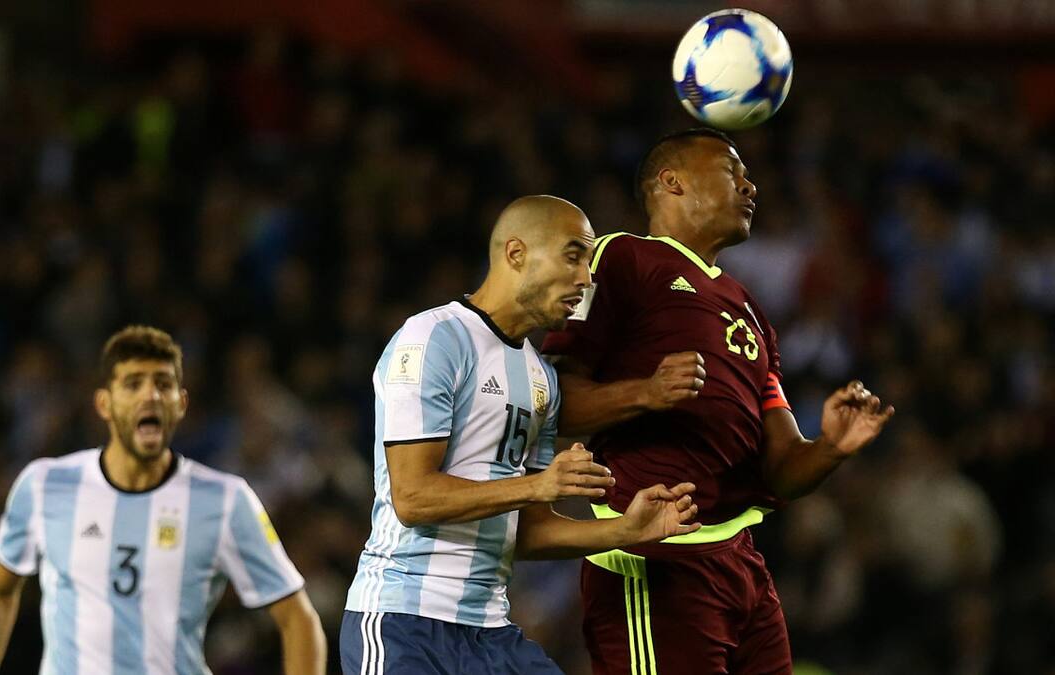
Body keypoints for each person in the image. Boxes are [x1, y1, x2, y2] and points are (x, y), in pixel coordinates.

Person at [542, 129, 895, 675]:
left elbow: (781, 472)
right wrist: (646, 392)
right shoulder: (620, 257)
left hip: (740, 562)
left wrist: (830, 448)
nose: (751, 185)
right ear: (672, 181)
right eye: (734, 171)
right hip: (654, 556)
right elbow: (554, 407)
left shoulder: (750, 308)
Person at [340, 195, 701, 674]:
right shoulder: (434, 339)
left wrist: (626, 530)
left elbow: (528, 530)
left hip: (490, 631)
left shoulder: (541, 380)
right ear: (516, 253)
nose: (586, 279)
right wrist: (537, 484)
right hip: (403, 622)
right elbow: (413, 497)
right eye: (574, 256)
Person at [0, 326, 326, 675]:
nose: (149, 395)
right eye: (133, 384)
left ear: (181, 403)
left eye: (163, 384)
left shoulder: (225, 501)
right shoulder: (45, 485)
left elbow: (298, 619)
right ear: (104, 403)